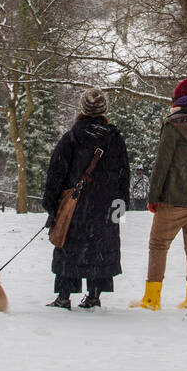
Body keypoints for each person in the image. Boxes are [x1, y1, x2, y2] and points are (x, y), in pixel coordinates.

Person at [131, 72, 187, 312]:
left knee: (158, 244)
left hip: (175, 198)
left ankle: (151, 299)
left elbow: (162, 164)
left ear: (180, 100)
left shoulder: (173, 125)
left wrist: (153, 198)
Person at [42, 88, 130, 310]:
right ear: (104, 109)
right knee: (99, 250)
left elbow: (56, 173)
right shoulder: (115, 138)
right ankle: (94, 295)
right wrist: (120, 204)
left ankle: (64, 296)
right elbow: (123, 173)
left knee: (68, 249)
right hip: (104, 205)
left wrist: (52, 204)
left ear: (82, 108)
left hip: (75, 206)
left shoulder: (71, 137)